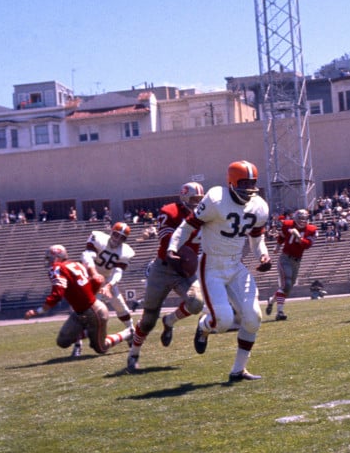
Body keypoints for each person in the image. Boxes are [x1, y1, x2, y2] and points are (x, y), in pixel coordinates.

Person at [168, 160, 271, 382]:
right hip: (212, 264)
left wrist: (263, 255)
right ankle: (204, 327)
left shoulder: (259, 205)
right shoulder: (216, 198)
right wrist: (172, 246)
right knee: (222, 322)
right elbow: (187, 226)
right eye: (244, 183)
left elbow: (256, 240)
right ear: (232, 182)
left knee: (253, 318)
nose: (249, 189)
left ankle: (238, 370)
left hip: (236, 265)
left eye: (252, 183)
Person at [126, 181, 205, 373]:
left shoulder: (205, 214)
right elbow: (167, 238)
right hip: (163, 268)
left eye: (200, 199)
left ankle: (169, 321)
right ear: (185, 197)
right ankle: (133, 354)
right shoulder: (170, 211)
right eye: (194, 199)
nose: (198, 203)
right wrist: (181, 255)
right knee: (148, 320)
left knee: (196, 303)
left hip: (184, 270)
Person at [24, 245, 133, 357]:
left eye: (50, 258)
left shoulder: (58, 268)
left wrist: (38, 311)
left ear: (57, 257)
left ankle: (129, 333)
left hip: (94, 311)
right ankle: (91, 332)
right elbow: (94, 282)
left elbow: (57, 294)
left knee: (101, 348)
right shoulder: (76, 264)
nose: (49, 261)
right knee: (63, 341)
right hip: (83, 310)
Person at [81, 222, 137, 333]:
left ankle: (131, 330)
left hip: (107, 278)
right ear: (111, 232)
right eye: (116, 235)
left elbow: (117, 272)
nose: (118, 239)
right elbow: (87, 256)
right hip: (90, 277)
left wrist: (109, 285)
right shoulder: (98, 238)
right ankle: (79, 341)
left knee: (119, 304)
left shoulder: (126, 251)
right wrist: (94, 274)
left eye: (122, 237)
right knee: (91, 309)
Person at [265, 209, 317, 321]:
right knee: (286, 284)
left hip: (297, 261)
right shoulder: (287, 225)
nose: (302, 221)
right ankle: (280, 312)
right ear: (295, 218)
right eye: (300, 218)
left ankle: (271, 300)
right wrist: (278, 246)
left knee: (287, 289)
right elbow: (282, 236)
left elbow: (307, 245)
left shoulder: (311, 230)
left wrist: (298, 237)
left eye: (304, 218)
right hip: (285, 258)